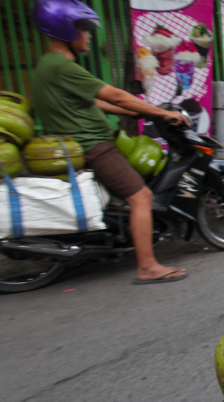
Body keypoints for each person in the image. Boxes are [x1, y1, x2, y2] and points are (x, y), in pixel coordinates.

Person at [32, 0, 189, 285]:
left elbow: (93, 103)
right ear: (68, 30)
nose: (90, 36)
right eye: (85, 29)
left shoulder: (48, 65)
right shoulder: (63, 67)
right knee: (141, 197)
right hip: (94, 146)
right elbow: (114, 95)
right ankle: (148, 267)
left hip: (80, 143)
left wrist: (135, 110)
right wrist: (163, 112)